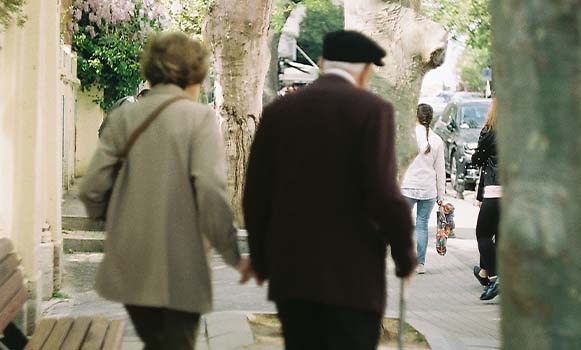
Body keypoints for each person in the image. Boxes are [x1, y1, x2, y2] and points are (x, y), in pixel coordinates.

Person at [243, 30, 417, 350]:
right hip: (352, 280)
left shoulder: (279, 111)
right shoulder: (372, 110)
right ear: (366, 70)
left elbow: (256, 194)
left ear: (322, 62)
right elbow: (382, 193)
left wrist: (260, 258)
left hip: (292, 277)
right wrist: (405, 254)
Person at [79, 32, 251, 350]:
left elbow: (91, 190)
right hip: (181, 267)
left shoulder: (123, 117)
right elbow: (211, 195)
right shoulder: (199, 119)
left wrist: (115, 221)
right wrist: (232, 253)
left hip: (131, 264)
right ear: (196, 73)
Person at [401, 103, 446, 274]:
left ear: (416, 117)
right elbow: (440, 171)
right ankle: (420, 263)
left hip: (408, 187)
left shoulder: (407, 137)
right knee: (422, 225)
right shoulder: (437, 140)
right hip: (428, 190)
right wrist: (441, 196)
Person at [471, 98, 500, 301]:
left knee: (482, 234)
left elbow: (477, 159)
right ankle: (483, 273)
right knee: (499, 235)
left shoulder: (490, 132)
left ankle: (494, 277)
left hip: (494, 190)